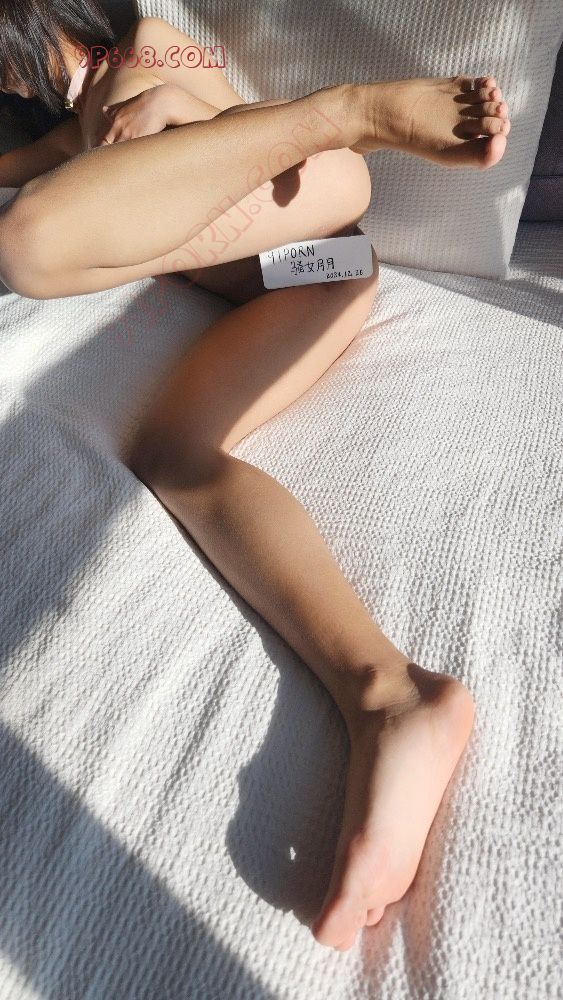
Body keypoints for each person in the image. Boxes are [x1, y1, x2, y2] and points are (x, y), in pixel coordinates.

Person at [0, 0, 511, 952]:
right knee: (175, 458)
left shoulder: (146, 44)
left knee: (29, 241)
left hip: (310, 192)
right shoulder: (69, 135)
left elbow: (208, 91)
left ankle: (351, 108)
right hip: (315, 273)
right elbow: (19, 168)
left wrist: (173, 112)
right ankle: (389, 697)